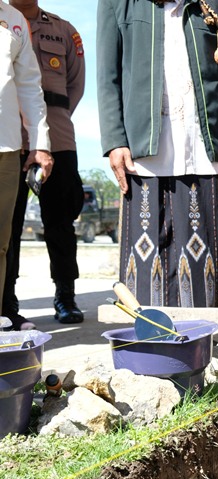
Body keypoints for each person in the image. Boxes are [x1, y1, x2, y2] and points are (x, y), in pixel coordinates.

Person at [97, 0, 218, 308]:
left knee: (203, 261)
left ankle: (200, 347)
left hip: (204, 152)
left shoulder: (217, 3)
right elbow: (107, 75)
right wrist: (114, 140)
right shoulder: (118, 3)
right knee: (143, 268)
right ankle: (147, 348)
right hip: (142, 153)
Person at [4, 0, 85, 329]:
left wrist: (50, 126)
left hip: (57, 138)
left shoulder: (64, 31)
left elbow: (75, 86)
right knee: (6, 227)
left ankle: (65, 295)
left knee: (61, 222)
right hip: (9, 139)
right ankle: (6, 301)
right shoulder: (5, 21)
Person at [0, 1, 53, 330]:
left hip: (6, 148)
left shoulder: (14, 19)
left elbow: (30, 86)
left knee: (1, 242)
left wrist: (40, 143)